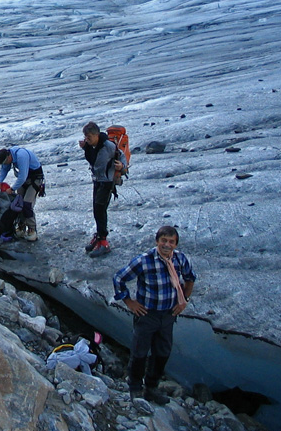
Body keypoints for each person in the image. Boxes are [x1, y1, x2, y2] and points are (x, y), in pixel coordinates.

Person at [112, 225, 197, 404]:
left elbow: (190, 278)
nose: (167, 245)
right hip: (147, 314)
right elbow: (119, 278)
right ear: (157, 241)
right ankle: (135, 388)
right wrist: (129, 302)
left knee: (162, 352)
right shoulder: (144, 261)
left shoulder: (180, 259)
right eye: (163, 240)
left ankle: (151, 387)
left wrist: (184, 301)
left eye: (171, 242)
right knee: (139, 352)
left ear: (176, 244)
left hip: (167, 315)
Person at [79, 121, 127, 257]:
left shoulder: (108, 146)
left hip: (107, 182)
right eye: (85, 137)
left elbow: (122, 156)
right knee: (97, 209)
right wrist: (85, 147)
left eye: (89, 137)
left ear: (96, 135)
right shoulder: (92, 146)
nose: (86, 140)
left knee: (100, 210)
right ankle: (99, 236)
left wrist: (122, 167)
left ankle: (103, 241)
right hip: (97, 181)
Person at [0, 146, 44, 241]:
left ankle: (32, 229)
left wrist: (12, 189)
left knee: (27, 204)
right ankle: (21, 225)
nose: (5, 164)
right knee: (18, 203)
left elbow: (22, 176)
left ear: (8, 157)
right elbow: (4, 169)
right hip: (24, 181)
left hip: (35, 180)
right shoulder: (9, 156)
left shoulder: (21, 156)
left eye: (5, 162)